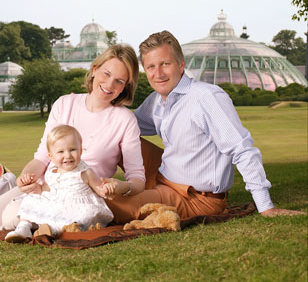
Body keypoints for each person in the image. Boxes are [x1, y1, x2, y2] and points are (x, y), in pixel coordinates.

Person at [105, 30, 305, 222]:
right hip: (163, 173)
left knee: (111, 208)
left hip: (194, 198)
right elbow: (125, 124)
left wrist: (266, 206)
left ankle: (96, 199)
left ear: (181, 64)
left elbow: (242, 150)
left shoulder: (206, 97)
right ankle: (81, 183)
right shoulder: (156, 100)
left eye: (165, 64)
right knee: (114, 134)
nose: (158, 73)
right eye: (150, 67)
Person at [0, 43, 147, 230]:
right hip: (44, 189)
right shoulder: (64, 104)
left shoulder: (125, 120)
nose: (109, 84)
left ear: (125, 86)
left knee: (11, 216)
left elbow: (138, 179)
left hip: (79, 199)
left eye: (119, 81)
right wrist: (26, 178)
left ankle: (17, 221)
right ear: (95, 69)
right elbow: (42, 157)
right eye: (106, 74)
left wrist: (122, 187)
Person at [4, 125, 113, 242]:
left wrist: (106, 189)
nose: (68, 155)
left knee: (87, 213)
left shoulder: (85, 172)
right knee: (31, 199)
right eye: (61, 151)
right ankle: (23, 227)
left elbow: (99, 189)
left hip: (77, 206)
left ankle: (52, 230)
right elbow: (45, 191)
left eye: (72, 150)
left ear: (81, 151)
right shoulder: (52, 172)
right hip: (57, 203)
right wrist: (36, 188)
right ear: (51, 157)